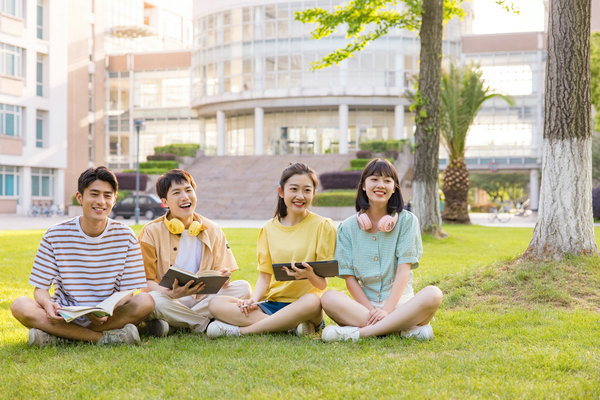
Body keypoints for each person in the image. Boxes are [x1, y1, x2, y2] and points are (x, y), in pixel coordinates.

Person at [10, 166, 154, 346]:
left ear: (114, 200)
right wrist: (48, 306)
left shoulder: (126, 236)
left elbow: (128, 292)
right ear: (80, 197)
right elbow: (40, 289)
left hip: (109, 316)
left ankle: (60, 337)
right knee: (20, 305)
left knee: (145, 301)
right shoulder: (54, 235)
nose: (101, 201)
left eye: (107, 195)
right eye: (94, 194)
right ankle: (104, 339)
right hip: (65, 314)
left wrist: (106, 310)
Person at [205, 162, 336, 338]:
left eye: (307, 190)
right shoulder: (268, 228)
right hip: (273, 305)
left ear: (313, 193)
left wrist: (310, 274)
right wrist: (254, 300)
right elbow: (264, 277)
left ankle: (242, 331)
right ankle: (289, 326)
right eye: (294, 189)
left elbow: (322, 284)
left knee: (313, 301)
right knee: (215, 304)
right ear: (281, 192)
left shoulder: (323, 226)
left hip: (306, 306)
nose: (300, 196)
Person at [319, 158, 443, 342]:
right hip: (365, 308)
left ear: (394, 188)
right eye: (374, 179)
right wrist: (372, 311)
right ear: (363, 186)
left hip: (402, 304)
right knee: (328, 298)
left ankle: (358, 334)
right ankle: (405, 329)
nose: (381, 185)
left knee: (434, 294)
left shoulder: (407, 221)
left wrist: (386, 311)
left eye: (387, 180)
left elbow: (403, 270)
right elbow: (350, 278)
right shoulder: (347, 228)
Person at [138, 169, 251, 336]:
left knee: (243, 288)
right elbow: (145, 282)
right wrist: (170, 292)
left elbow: (224, 272)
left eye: (188, 190)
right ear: (164, 202)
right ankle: (207, 324)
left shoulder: (213, 229)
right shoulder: (150, 232)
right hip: (170, 299)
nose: (185, 197)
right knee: (153, 301)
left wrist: (224, 277)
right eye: (176, 193)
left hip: (204, 298)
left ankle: (176, 323)